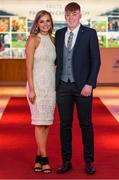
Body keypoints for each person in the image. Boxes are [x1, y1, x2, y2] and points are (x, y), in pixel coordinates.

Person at [55, 2, 101, 174]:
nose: (71, 18)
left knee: (86, 124)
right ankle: (66, 161)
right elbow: (57, 59)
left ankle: (89, 161)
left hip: (83, 87)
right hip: (63, 87)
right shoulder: (59, 34)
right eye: (68, 15)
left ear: (80, 15)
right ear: (64, 16)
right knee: (64, 125)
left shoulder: (89, 33)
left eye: (74, 14)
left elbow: (96, 60)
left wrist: (90, 83)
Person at [25, 10, 56, 173]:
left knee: (46, 123)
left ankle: (38, 158)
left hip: (50, 88)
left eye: (48, 21)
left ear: (51, 23)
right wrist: (31, 89)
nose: (45, 24)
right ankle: (44, 159)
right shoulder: (33, 40)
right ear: (37, 23)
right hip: (36, 86)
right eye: (42, 21)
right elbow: (28, 66)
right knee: (39, 122)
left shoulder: (53, 40)